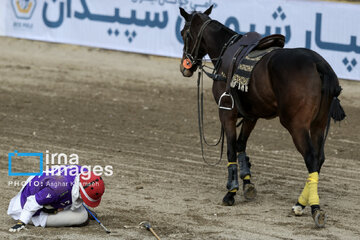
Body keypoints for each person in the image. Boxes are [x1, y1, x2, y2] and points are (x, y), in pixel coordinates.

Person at [7, 165, 105, 232]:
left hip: (39, 184)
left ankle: (59, 206)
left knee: (70, 199)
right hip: (26, 207)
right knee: (82, 217)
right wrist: (22, 222)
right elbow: (31, 203)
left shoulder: (83, 172)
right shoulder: (59, 188)